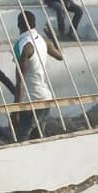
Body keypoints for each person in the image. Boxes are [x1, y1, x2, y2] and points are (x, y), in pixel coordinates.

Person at [12, 12, 64, 140]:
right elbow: (60, 56)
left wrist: (15, 109)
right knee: (38, 140)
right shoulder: (43, 41)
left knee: (21, 140)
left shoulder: (23, 45)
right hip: (45, 98)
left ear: (19, 25)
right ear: (34, 23)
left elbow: (20, 80)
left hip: (31, 101)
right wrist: (53, 38)